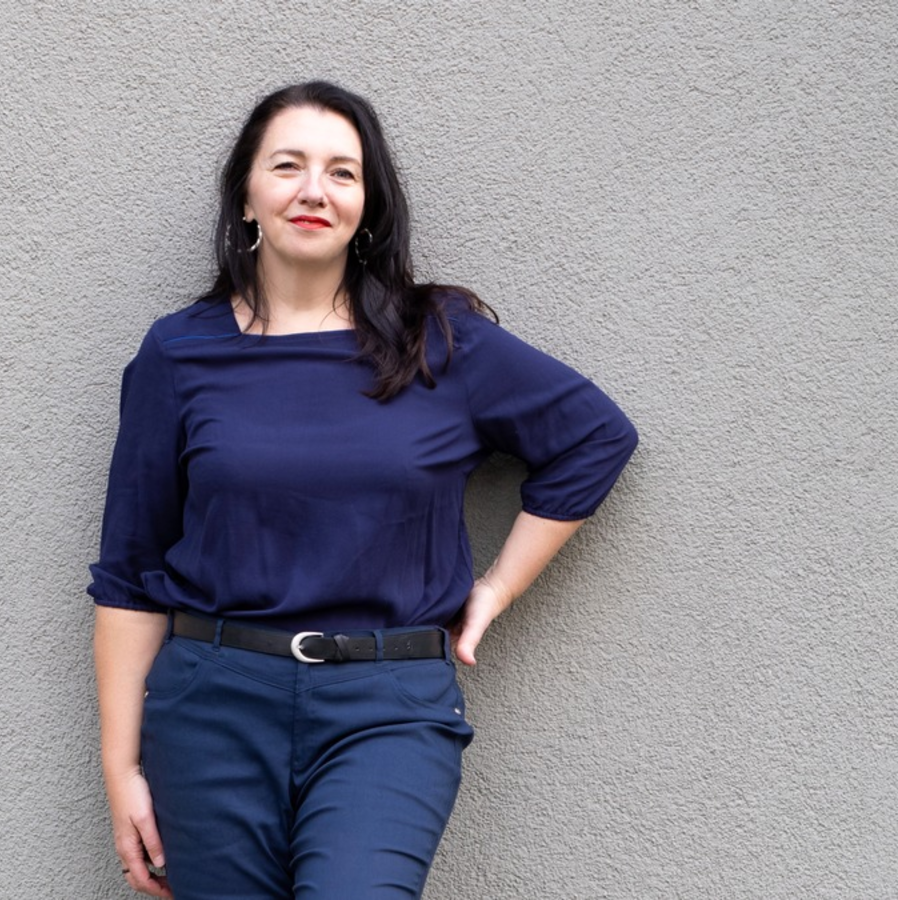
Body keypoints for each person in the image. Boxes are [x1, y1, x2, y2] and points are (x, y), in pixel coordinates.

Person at [89, 81, 637, 899]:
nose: (315, 190)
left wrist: (494, 590)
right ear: (246, 195)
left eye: (342, 173)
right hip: (211, 707)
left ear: (368, 203)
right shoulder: (179, 353)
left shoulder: (441, 343)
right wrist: (120, 766)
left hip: (387, 709)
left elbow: (595, 438)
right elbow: (131, 570)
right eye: (288, 166)